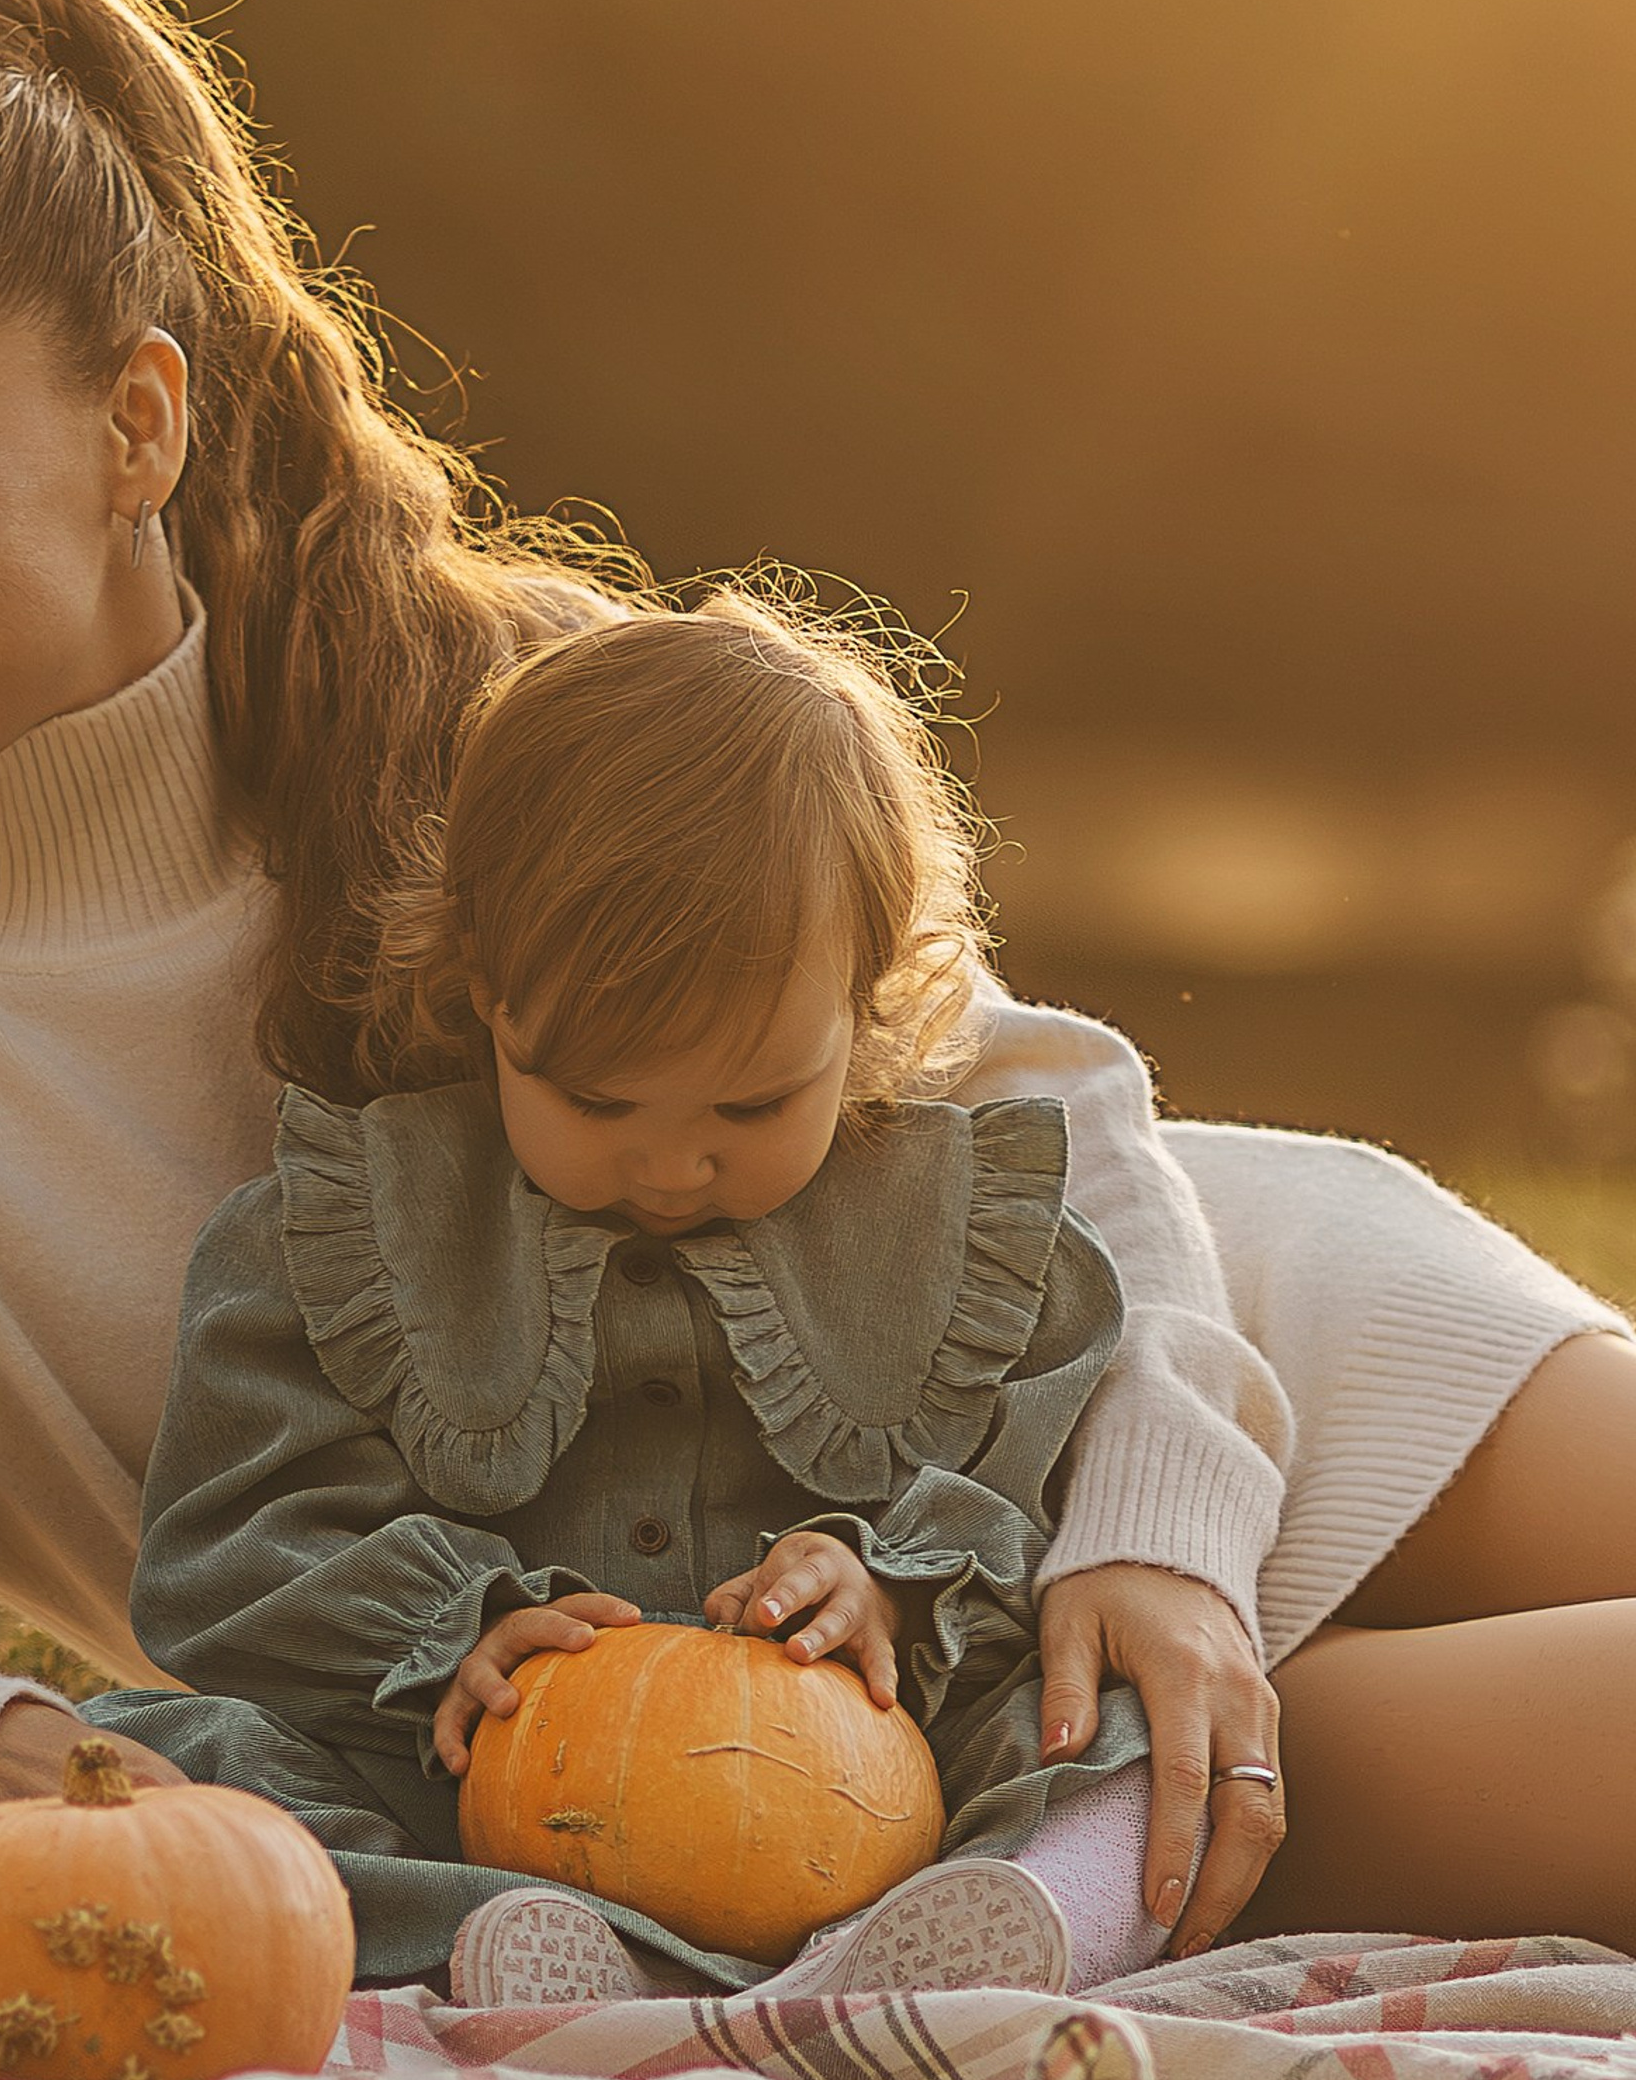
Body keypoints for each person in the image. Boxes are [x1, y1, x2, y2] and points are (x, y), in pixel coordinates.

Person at [0, 0, 1629, 1959]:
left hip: (1234, 1350)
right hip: (916, 1725)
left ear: (137, 426)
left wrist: (1162, 1520)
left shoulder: (506, 691)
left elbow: (1015, 1089)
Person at [108, 596, 1168, 2004]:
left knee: (1111, 1734)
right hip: (472, 1808)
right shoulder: (353, 1231)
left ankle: (1020, 1924)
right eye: (595, 1098)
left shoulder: (964, 1236)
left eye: (752, 1100)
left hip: (871, 1814)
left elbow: (1034, 1493)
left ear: (868, 993)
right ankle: (494, 1945)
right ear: (484, 985)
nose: (671, 1162)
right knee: (191, 1758)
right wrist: (450, 1635)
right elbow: (228, 1544)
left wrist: (892, 1587)